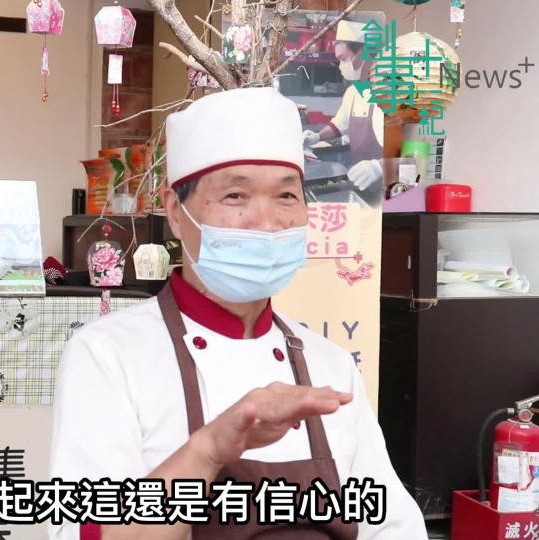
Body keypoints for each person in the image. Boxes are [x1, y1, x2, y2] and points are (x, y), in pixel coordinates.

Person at [49, 88, 427, 540]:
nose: (266, 223)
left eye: (286, 196)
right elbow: (88, 531)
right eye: (235, 195)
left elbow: (392, 527)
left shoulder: (331, 366)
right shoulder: (109, 355)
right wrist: (208, 450)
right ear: (175, 211)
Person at [303, 20, 385, 193]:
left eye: (343, 59)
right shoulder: (353, 93)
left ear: (363, 54)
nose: (341, 66)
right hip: (360, 183)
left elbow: (407, 154)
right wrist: (317, 136)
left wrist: (378, 167)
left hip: (386, 187)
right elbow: (339, 125)